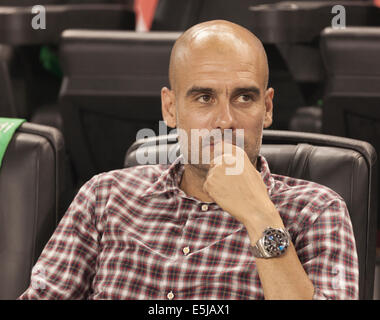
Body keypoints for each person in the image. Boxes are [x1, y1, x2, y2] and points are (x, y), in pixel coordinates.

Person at [19, 20, 358, 300]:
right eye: (204, 98)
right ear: (171, 108)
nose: (225, 120)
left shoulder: (317, 211)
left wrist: (261, 216)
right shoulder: (104, 197)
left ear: (267, 108)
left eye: (243, 97)